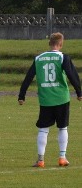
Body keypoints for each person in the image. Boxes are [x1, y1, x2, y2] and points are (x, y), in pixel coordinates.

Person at [18, 32, 82, 168]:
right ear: (61, 43)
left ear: (49, 43)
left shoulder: (39, 58)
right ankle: (62, 157)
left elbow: (28, 77)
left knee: (43, 129)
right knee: (62, 127)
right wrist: (79, 91)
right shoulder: (63, 57)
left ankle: (40, 160)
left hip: (45, 99)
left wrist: (21, 95)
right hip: (61, 98)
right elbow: (72, 75)